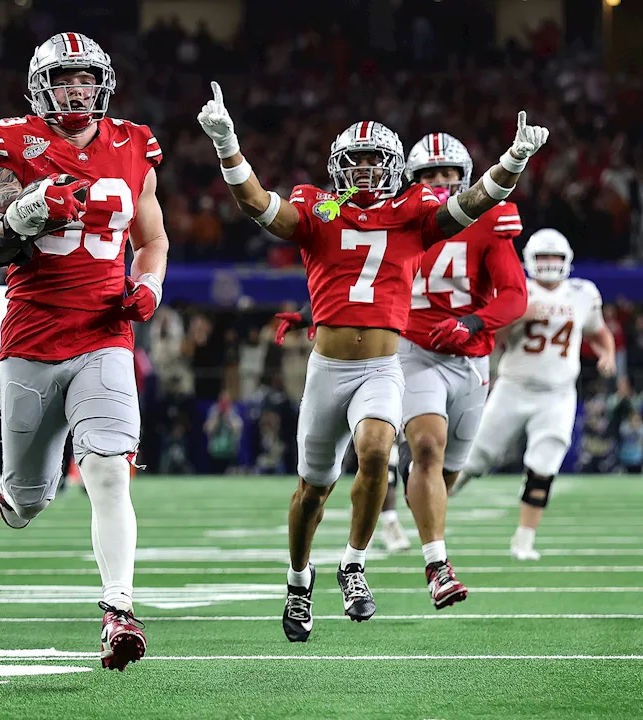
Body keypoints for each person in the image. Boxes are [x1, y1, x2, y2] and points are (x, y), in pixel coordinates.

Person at [201, 82, 549, 641]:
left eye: (373, 161)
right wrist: (228, 147)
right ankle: (298, 580)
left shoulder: (414, 214)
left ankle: (354, 565)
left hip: (385, 367)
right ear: (340, 168)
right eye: (355, 161)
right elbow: (260, 206)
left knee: (376, 452)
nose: (364, 171)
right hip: (327, 369)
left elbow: (474, 203)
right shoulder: (319, 208)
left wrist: (512, 161)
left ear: (392, 167)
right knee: (312, 489)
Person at [0, 33, 168, 670]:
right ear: (41, 86)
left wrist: (150, 285)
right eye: (64, 78)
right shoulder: (9, 142)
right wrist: (26, 213)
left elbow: (153, 238)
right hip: (30, 338)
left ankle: (119, 611)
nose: (77, 89)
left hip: (105, 334)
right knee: (31, 497)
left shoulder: (135, 145)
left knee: (108, 471)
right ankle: (17, 493)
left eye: (86, 77)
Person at [392, 132, 528, 609]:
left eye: (449, 173)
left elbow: (515, 295)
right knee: (428, 447)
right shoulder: (401, 218)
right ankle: (438, 566)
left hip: (471, 358)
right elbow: (358, 274)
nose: (441, 183)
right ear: (413, 180)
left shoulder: (489, 219)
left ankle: (415, 489)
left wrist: (471, 321)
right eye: (430, 174)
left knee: (444, 474)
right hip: (413, 349)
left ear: (466, 178)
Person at [452, 229, 616, 561]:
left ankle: (524, 540)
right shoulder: (516, 291)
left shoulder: (583, 293)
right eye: (543, 258)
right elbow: (492, 340)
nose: (549, 264)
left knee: (544, 465)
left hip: (557, 394)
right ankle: (431, 505)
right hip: (513, 387)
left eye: (555, 258)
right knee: (474, 459)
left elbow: (599, 332)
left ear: (567, 261)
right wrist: (515, 317)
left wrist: (607, 354)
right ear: (529, 260)